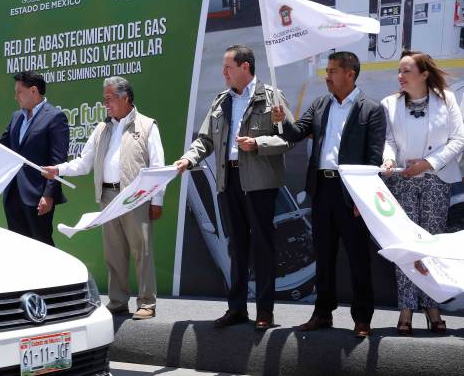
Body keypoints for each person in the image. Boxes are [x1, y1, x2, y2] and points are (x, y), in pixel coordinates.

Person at [174, 44, 293, 330]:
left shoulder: (272, 97)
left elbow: (289, 138)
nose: (224, 72)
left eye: (228, 67)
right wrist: (188, 159)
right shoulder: (221, 101)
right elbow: (205, 140)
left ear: (245, 67)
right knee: (236, 248)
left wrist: (258, 143)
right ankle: (237, 309)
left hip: (260, 184)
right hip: (229, 182)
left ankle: (265, 312)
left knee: (263, 247)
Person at [271, 51, 386, 338]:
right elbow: (295, 133)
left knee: (359, 258)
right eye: (327, 71)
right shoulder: (320, 104)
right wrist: (281, 120)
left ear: (350, 74)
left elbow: (374, 159)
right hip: (322, 189)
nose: (327, 77)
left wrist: (363, 197)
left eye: (332, 71)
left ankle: (362, 319)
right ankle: (322, 314)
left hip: (351, 192)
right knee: (323, 256)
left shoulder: (371, 109)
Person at [42, 76, 165, 320]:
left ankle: (147, 302)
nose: (105, 104)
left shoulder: (147, 125)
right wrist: (58, 170)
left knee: (142, 251)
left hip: (135, 197)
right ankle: (118, 302)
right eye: (104, 99)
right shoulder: (101, 129)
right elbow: (83, 163)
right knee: (114, 252)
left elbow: (158, 166)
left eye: (109, 99)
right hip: (107, 197)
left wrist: (157, 200)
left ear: (125, 98)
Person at [381, 50, 464, 335]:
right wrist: (388, 159)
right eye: (399, 71)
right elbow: (389, 140)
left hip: (436, 180)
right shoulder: (390, 103)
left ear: (424, 74)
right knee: (406, 246)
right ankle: (406, 308)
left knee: (430, 246)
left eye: (406, 71)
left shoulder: (447, 99)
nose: (400, 76)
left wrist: (428, 163)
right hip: (403, 181)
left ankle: (431, 307)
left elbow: (458, 140)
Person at [0, 71, 69, 246]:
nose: (16, 97)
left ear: (33, 91)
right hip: (13, 193)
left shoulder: (55, 117)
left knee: (41, 245)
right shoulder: (16, 117)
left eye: (19, 92)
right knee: (18, 247)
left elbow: (58, 161)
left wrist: (49, 195)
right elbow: (1, 146)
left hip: (38, 196)